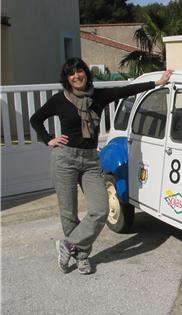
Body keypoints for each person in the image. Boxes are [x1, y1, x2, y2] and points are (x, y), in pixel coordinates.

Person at [30, 57, 173, 274]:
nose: (76, 76)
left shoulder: (98, 97)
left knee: (100, 210)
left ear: (86, 73)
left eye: (80, 71)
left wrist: (157, 83)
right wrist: (49, 138)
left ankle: (68, 245)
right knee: (68, 213)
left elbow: (127, 90)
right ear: (67, 79)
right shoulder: (60, 99)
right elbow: (35, 119)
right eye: (71, 74)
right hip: (65, 159)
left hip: (89, 160)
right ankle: (82, 257)